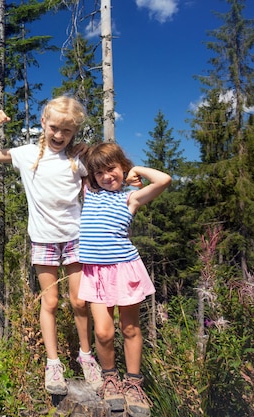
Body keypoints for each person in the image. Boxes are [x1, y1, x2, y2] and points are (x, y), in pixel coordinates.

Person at [0, 96, 102, 395]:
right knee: (49, 302)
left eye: (67, 131)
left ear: (74, 132)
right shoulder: (24, 154)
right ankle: (53, 363)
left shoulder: (78, 158)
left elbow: (98, 183)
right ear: (43, 123)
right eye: (54, 128)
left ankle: (86, 356)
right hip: (44, 238)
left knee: (79, 302)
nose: (59, 135)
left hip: (76, 237)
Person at [78, 142, 171, 416]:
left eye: (112, 169)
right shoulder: (88, 192)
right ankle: (110, 378)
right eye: (100, 173)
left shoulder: (132, 197)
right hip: (94, 272)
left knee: (130, 329)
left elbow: (164, 180)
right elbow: (75, 160)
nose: (107, 176)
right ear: (93, 177)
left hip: (124, 269)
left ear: (122, 166)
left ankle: (133, 383)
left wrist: (136, 169)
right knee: (104, 332)